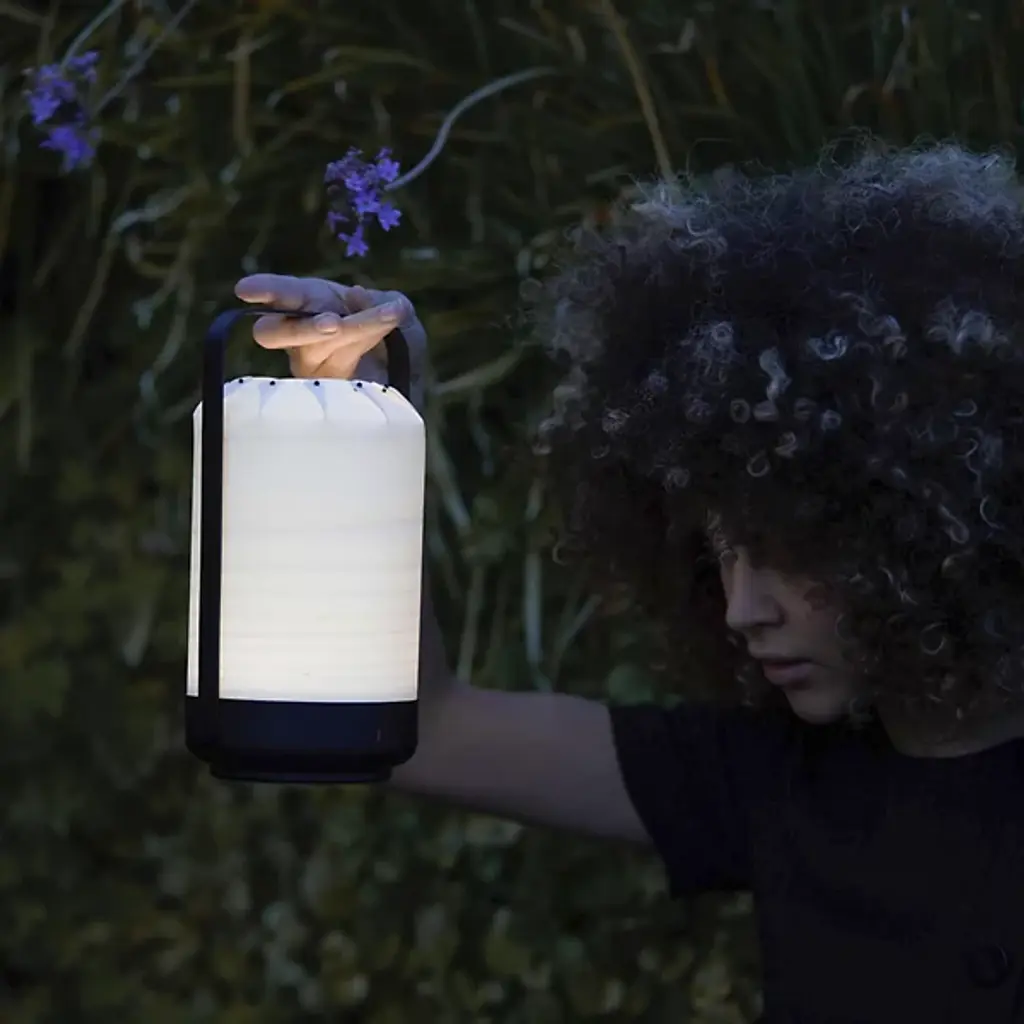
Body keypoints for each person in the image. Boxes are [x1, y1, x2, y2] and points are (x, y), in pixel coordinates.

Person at [233, 140, 1024, 1024]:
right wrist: (365, 422)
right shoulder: (767, 779)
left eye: (787, 550)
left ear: (925, 522)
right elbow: (421, 728)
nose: (742, 609)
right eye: (721, 553)